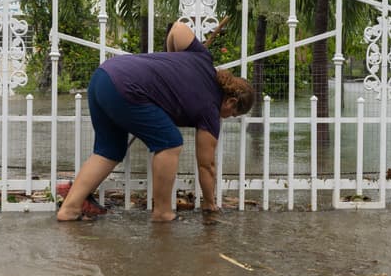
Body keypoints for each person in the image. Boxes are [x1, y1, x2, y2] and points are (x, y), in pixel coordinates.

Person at [56, 20, 255, 222]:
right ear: (231, 101)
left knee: (109, 150)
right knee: (170, 142)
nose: (227, 117)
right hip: (126, 87)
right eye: (232, 114)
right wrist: (210, 203)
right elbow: (207, 166)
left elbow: (178, 29)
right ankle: (162, 212)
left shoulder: (203, 58)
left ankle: (70, 209)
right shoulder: (210, 110)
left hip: (103, 76)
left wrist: (174, 59)